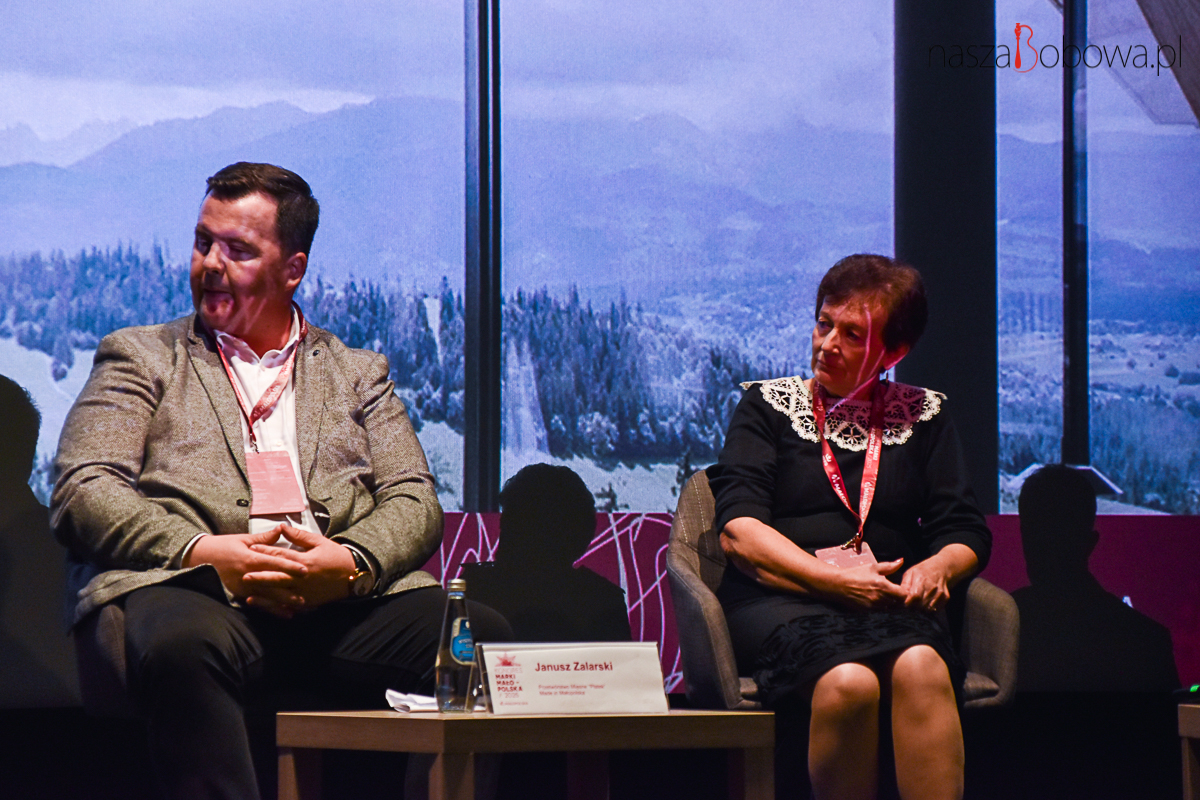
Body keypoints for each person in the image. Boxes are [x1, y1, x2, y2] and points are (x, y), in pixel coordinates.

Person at [52, 162, 510, 800]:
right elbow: (84, 487)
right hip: (198, 590)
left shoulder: (357, 372)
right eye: (203, 242)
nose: (211, 264)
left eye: (237, 250)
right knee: (183, 642)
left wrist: (349, 562)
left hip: (342, 602)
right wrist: (205, 551)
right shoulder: (141, 356)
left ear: (293, 268)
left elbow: (414, 499)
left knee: (479, 637)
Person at [709, 254, 991, 800]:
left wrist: (938, 567)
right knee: (850, 682)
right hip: (781, 598)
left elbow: (964, 529)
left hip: (888, 601)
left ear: (895, 352)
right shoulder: (767, 408)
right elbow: (739, 531)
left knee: (922, 668)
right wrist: (835, 581)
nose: (827, 344)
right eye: (823, 324)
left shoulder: (925, 416)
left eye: (852, 334)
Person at [1013, 464, 1178, 692]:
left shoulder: (994, 629)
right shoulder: (1147, 640)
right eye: (1040, 538)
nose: (1048, 551)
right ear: (1090, 542)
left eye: (1052, 538)